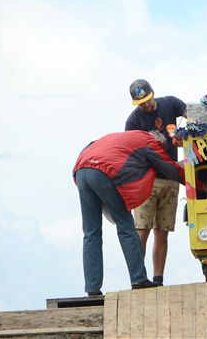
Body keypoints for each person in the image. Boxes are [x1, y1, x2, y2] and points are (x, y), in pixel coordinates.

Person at [73, 130, 184, 296]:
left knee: (91, 233)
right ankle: (139, 279)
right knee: (125, 226)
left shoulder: (122, 137)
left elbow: (89, 147)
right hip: (104, 171)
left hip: (81, 170)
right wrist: (200, 185)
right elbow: (169, 169)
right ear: (158, 142)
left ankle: (92, 288)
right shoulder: (151, 142)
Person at [125, 79, 187, 286]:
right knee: (142, 230)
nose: (146, 105)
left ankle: (158, 279)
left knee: (163, 231)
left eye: (148, 100)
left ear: (153, 94)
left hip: (171, 179)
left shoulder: (170, 103)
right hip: (147, 181)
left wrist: (187, 138)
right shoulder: (133, 122)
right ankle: (138, 278)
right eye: (141, 103)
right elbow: (132, 154)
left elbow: (193, 116)